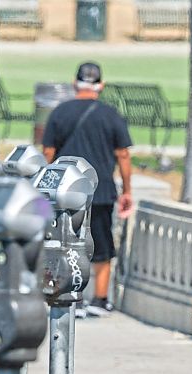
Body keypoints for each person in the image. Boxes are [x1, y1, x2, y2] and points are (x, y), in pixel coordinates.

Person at [41, 62, 133, 318]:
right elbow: (123, 155)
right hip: (101, 191)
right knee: (102, 247)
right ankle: (100, 300)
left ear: (75, 83)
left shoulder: (59, 113)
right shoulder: (111, 115)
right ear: (100, 86)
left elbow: (48, 152)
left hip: (64, 193)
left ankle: (73, 295)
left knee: (66, 243)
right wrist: (127, 190)